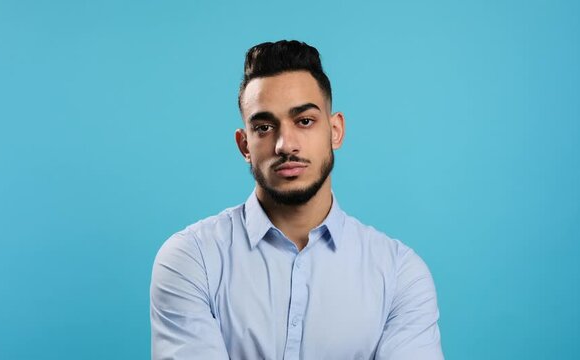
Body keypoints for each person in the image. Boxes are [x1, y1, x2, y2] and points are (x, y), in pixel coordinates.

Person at [150, 40, 444, 359]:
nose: (285, 144)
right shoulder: (193, 260)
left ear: (335, 131)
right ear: (244, 145)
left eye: (304, 121)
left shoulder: (400, 274)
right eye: (264, 127)